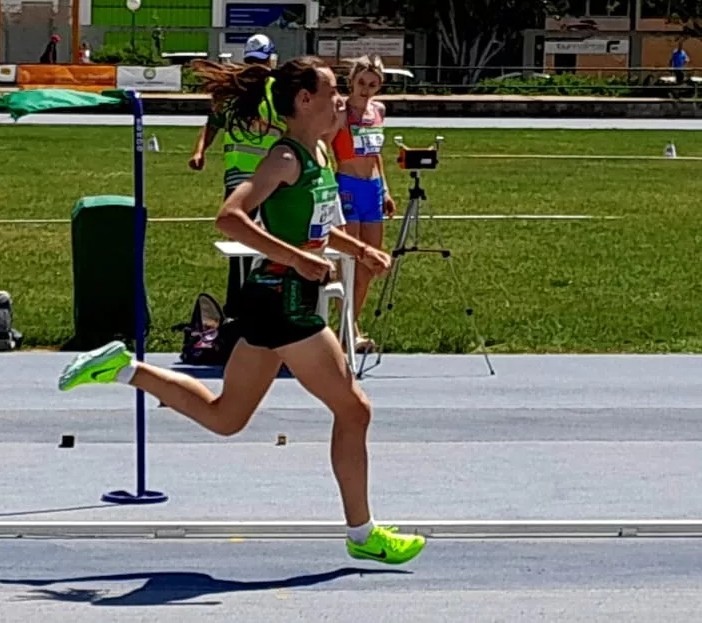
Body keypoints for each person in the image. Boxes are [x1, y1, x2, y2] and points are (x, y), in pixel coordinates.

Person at [58, 56, 428, 566]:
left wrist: (356, 250)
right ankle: (362, 533)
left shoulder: (317, 153)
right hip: (284, 302)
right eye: (331, 91)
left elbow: (314, 226)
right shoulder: (284, 158)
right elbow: (230, 217)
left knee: (226, 416)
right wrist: (298, 259)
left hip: (275, 299)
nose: (341, 100)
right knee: (354, 408)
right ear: (304, 101)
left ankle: (123, 367)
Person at [188, 34, 286, 317]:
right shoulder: (234, 93)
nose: (259, 67)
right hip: (246, 180)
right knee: (243, 246)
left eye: (261, 62)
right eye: (255, 62)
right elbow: (212, 125)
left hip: (270, 179)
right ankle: (240, 307)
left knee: (269, 243)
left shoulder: (277, 91)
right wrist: (200, 151)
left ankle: (262, 304)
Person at [330, 55, 395, 347]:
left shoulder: (378, 110)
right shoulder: (341, 110)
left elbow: (376, 153)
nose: (366, 89)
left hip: (372, 189)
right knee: (350, 261)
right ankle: (348, 330)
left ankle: (349, 327)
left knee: (370, 264)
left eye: (372, 84)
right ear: (351, 81)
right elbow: (324, 141)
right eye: (361, 83)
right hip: (347, 186)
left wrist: (386, 189)